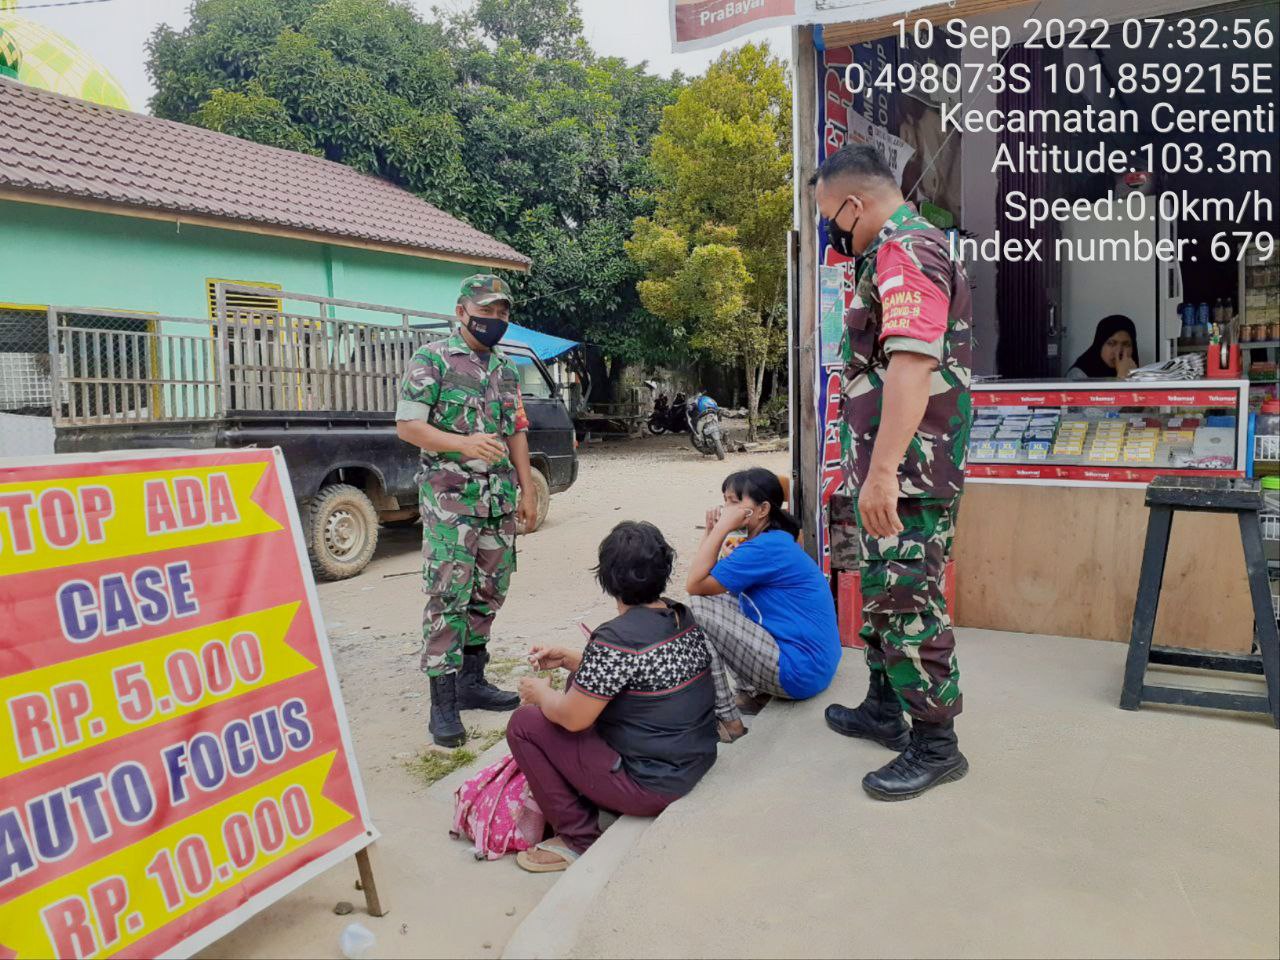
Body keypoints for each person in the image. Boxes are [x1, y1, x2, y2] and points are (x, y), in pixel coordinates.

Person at [811, 143, 972, 801]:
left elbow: (911, 365)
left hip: (905, 473)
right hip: (884, 467)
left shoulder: (909, 250)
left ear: (854, 203)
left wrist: (881, 476)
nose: (834, 234)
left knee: (909, 601)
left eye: (833, 220)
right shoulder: (888, 252)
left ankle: (936, 744)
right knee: (882, 591)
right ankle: (884, 706)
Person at [508, 521, 717, 872]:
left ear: (607, 578)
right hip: (694, 761)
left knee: (525, 723)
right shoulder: (679, 614)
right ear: (664, 570)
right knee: (578, 676)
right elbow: (647, 676)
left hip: (651, 785)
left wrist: (541, 693)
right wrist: (574, 659)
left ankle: (577, 838)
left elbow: (574, 717)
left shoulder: (616, 638)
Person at [396, 275, 539, 748]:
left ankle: (472, 682)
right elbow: (409, 426)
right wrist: (462, 444)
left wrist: (527, 490)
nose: (495, 319)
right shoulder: (432, 358)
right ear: (462, 311)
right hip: (451, 503)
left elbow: (516, 429)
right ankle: (442, 702)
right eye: (486, 310)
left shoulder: (506, 368)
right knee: (448, 594)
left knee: (490, 589)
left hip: (497, 501)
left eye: (502, 313)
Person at [685, 468, 841, 743]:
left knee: (696, 608)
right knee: (714, 600)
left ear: (762, 509)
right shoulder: (771, 541)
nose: (726, 508)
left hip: (799, 671)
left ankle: (729, 719)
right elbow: (707, 579)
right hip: (812, 666)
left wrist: (719, 530)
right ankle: (754, 693)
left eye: (734, 502)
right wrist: (711, 532)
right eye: (725, 501)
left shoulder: (764, 548)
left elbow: (695, 586)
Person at [1067, 315, 1140, 380]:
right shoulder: (1079, 375)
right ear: (1099, 345)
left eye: (1126, 344)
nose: (1119, 351)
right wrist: (1123, 378)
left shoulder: (1135, 370)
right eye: (1111, 344)